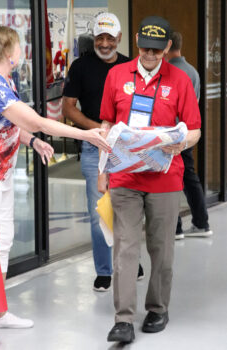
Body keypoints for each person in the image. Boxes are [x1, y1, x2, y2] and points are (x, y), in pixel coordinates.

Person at [0, 25, 110, 329]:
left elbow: (12, 125)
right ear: (8, 53)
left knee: (3, 242)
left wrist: (33, 141)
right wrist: (87, 134)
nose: (22, 51)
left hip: (2, 176)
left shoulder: (7, 80)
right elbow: (37, 120)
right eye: (18, 46)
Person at [98, 16, 201, 343]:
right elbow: (106, 123)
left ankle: (158, 308)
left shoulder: (180, 80)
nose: (150, 55)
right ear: (137, 42)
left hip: (165, 180)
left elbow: (195, 128)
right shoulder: (116, 75)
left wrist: (180, 142)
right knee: (125, 248)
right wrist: (103, 169)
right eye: (144, 48)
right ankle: (123, 319)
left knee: (161, 248)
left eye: (157, 50)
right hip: (125, 176)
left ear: (168, 47)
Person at [62, 12, 144, 292]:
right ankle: (105, 271)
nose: (105, 43)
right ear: (94, 38)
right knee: (100, 211)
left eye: (110, 37)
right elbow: (68, 108)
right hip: (93, 147)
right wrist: (96, 129)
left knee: (129, 208)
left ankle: (131, 261)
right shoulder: (81, 66)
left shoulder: (131, 66)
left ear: (119, 38)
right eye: (100, 37)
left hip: (127, 147)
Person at [166, 31, 213, 240]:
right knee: (189, 177)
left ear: (167, 47)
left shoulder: (169, 72)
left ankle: (175, 227)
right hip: (188, 133)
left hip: (171, 134)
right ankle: (201, 222)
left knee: (169, 180)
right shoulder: (193, 71)